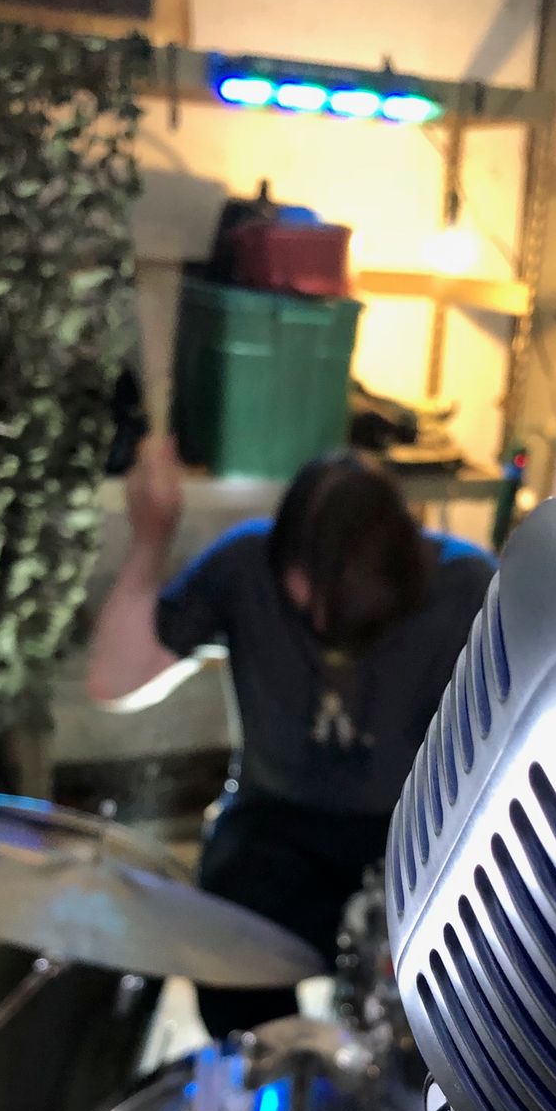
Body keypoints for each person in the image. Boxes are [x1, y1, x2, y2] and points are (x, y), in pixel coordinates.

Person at [87, 435, 496, 1038]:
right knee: (226, 953)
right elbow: (114, 681)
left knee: (455, 992)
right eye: (304, 604)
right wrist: (151, 536)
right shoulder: (247, 564)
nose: (319, 625)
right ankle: (273, 1067)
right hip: (273, 825)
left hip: (416, 834)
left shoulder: (467, 586)